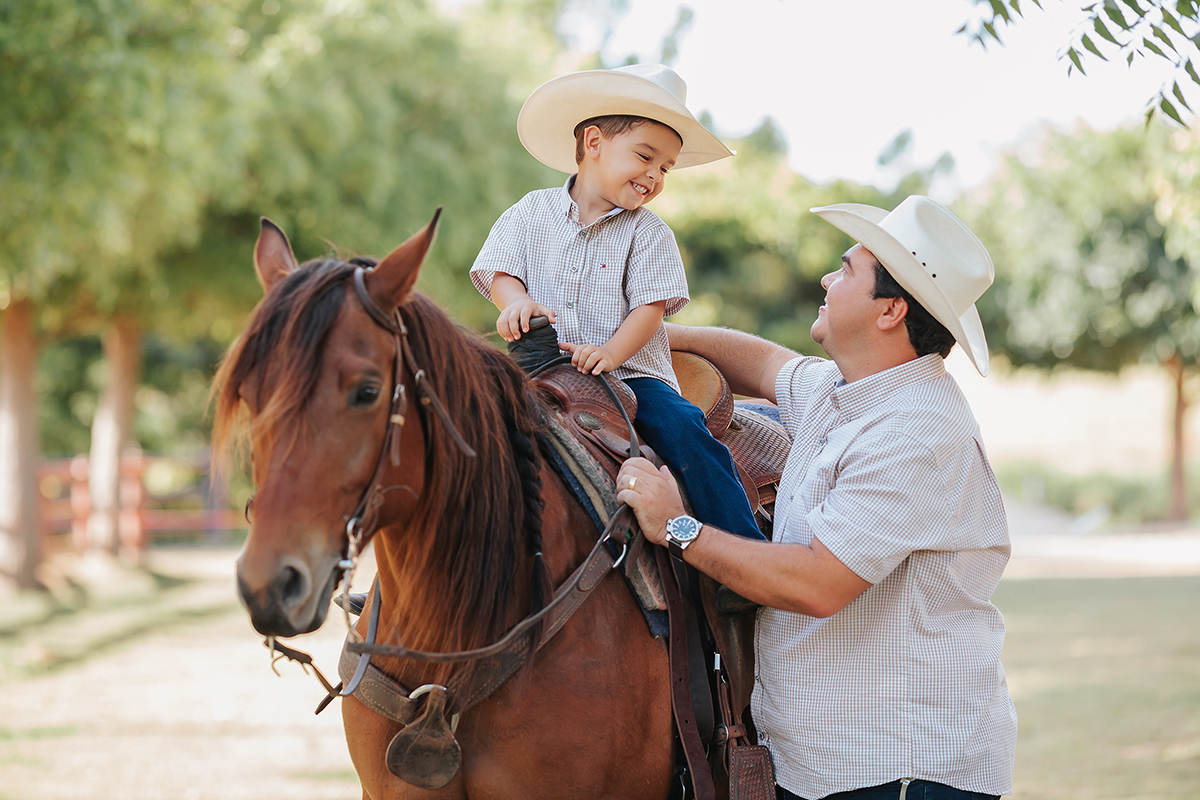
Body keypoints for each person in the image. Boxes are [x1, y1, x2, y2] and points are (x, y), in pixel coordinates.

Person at [615, 196, 1018, 800]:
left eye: (847, 269)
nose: (828, 278)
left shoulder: (916, 430)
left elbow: (818, 583)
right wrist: (647, 333)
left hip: (896, 773)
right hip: (832, 766)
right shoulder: (847, 390)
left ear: (890, 310)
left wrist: (678, 526)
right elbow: (767, 363)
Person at [470, 63, 764, 542]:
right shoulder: (530, 210)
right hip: (541, 364)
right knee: (454, 421)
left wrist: (610, 353)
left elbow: (650, 309)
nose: (654, 174)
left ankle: (741, 547)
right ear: (593, 143)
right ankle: (398, 582)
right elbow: (501, 269)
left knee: (684, 428)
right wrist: (516, 302)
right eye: (645, 156)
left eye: (665, 167)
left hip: (629, 375)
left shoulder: (648, 232)